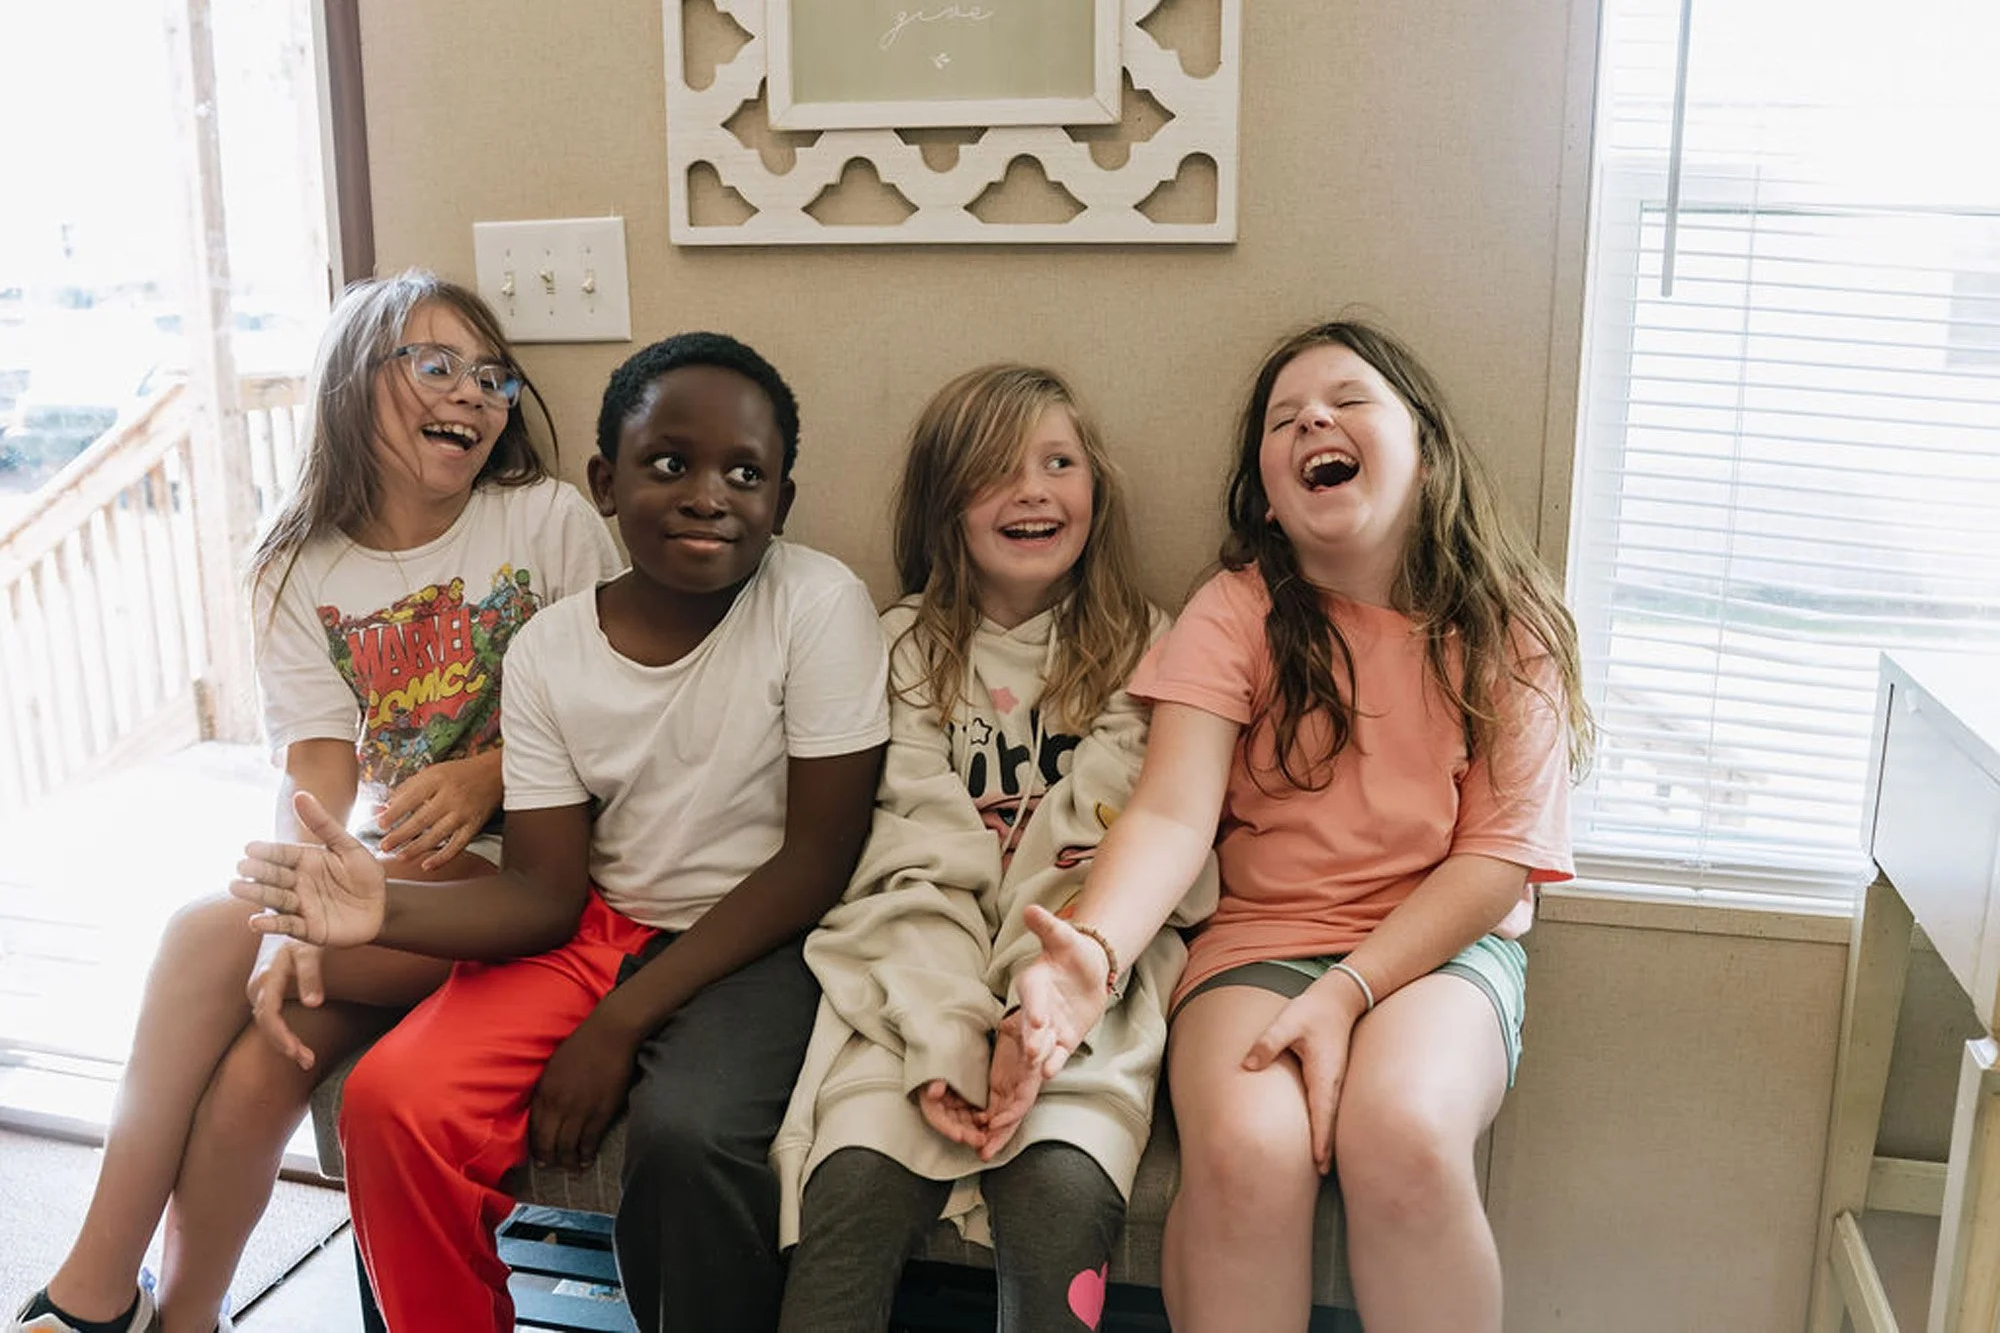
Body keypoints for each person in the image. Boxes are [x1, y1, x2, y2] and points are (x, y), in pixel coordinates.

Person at [228, 332, 891, 1333]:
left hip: (764, 939)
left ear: (781, 503)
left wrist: (620, 1023)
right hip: (595, 929)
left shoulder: (818, 605)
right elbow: (542, 890)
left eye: (744, 473)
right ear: (606, 483)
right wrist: (383, 906)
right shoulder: (546, 652)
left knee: (688, 1132)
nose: (707, 493)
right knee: (390, 1101)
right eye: (669, 463)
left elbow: (815, 861)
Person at [8, 270, 621, 1333]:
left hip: (532, 869)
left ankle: (85, 1300)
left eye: (493, 379)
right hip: (392, 874)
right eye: (436, 366)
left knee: (205, 931)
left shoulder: (545, 519)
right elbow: (320, 774)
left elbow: (622, 708)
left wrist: (491, 773)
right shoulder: (297, 566)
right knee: (257, 1057)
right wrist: (297, 904)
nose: (472, 396)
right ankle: (178, 1316)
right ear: (351, 383)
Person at [1009, 321, 1593, 1333]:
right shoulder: (1230, 613)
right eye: (1283, 419)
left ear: (1427, 449)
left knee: (1403, 1133)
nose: (1313, 417)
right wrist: (1086, 957)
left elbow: (1496, 863)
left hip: (1438, 951)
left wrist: (1350, 988)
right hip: (1257, 945)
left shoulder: (1510, 625)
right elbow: (1169, 813)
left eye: (1346, 399)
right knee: (1244, 1151)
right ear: (1268, 496)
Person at [771, 364, 1215, 1333]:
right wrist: (946, 1032)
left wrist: (1030, 1021)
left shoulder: (1147, 650)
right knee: (846, 1188)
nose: (1032, 490)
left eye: (1058, 462)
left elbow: (1095, 863)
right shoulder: (895, 651)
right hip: (910, 982)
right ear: (943, 506)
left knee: (1060, 1197)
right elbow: (905, 860)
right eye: (994, 470)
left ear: (1094, 488)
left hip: (1076, 1002)